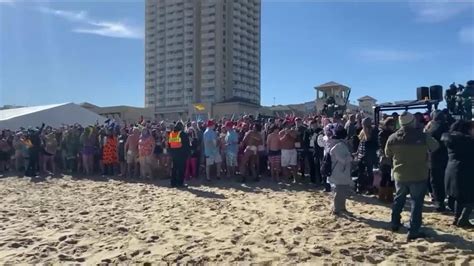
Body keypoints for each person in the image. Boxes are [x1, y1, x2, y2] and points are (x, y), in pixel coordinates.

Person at [386, 111, 439, 241]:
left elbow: (387, 153)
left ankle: (394, 223)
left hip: (400, 174)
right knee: (416, 202)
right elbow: (435, 146)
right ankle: (414, 230)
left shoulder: (393, 137)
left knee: (399, 200)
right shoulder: (422, 136)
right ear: (413, 121)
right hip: (418, 174)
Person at [441, 120, 474, 228]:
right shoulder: (468, 141)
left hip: (451, 170)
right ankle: (463, 219)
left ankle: (456, 218)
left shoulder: (450, 139)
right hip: (466, 171)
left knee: (459, 198)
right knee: (470, 198)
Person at [424, 111, 449, 212]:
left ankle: (439, 203)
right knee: (446, 180)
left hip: (434, 158)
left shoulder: (432, 128)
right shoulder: (448, 126)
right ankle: (450, 202)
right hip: (447, 157)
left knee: (436, 181)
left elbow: (427, 142)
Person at [328, 125, 352, 215]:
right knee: (339, 191)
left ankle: (341, 208)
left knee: (342, 191)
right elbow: (342, 160)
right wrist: (351, 157)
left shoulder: (337, 144)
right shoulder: (339, 145)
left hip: (340, 172)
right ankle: (336, 209)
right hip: (339, 172)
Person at [355, 117, 378, 194]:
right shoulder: (362, 131)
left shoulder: (373, 130)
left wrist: (365, 129)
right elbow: (361, 142)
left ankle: (369, 188)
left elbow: (368, 139)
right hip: (362, 154)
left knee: (369, 172)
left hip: (369, 154)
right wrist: (357, 152)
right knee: (360, 172)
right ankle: (360, 187)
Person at [378, 117, 396, 202]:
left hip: (393, 157)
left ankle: (389, 196)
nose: (392, 126)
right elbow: (382, 146)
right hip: (385, 157)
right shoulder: (383, 134)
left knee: (392, 178)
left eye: (393, 124)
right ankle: (382, 196)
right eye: (391, 124)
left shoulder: (393, 133)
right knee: (385, 176)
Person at [168, 121, 190, 188]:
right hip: (182, 154)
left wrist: (171, 153)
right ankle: (180, 183)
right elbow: (186, 145)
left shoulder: (172, 133)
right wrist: (188, 154)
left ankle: (173, 183)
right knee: (181, 169)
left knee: (174, 169)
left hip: (174, 154)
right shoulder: (183, 134)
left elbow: (169, 144)